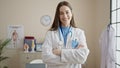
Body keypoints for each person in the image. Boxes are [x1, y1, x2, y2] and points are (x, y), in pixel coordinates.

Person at [42, 1, 90, 68]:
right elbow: (45, 57)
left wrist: (60, 52)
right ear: (58, 16)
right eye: (61, 13)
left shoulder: (79, 33)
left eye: (67, 12)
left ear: (71, 13)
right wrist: (73, 57)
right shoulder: (50, 34)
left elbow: (82, 57)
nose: (65, 16)